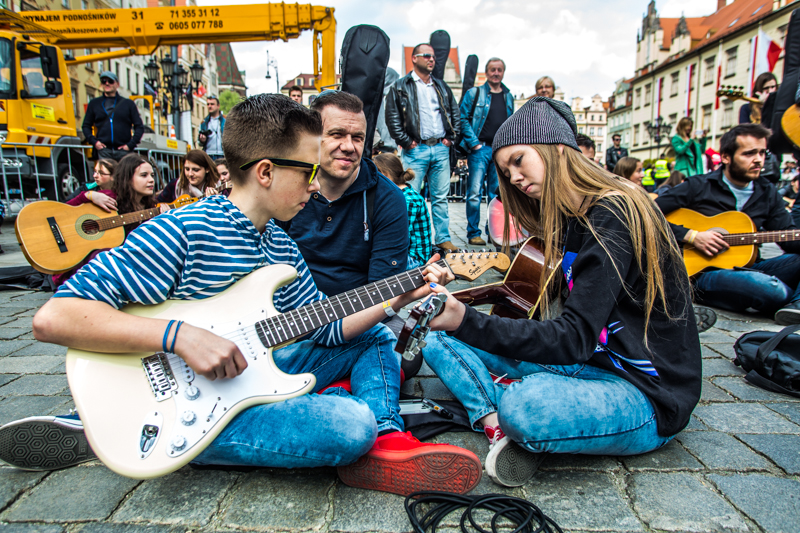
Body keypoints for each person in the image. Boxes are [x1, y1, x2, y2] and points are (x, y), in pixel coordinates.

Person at [0, 94, 481, 497]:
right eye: (307, 172)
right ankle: (141, 436)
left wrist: (395, 295)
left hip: (255, 368)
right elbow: (54, 317)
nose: (315, 187)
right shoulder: (184, 229)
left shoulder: (280, 244)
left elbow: (326, 328)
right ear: (266, 172)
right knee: (345, 425)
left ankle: (386, 438)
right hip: (184, 395)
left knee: (374, 338)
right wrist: (180, 335)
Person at [420, 96, 701, 488]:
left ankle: (509, 405)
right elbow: (526, 307)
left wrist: (467, 319)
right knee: (436, 336)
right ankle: (493, 423)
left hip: (646, 395)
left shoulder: (614, 215)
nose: (515, 177)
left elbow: (571, 337)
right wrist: (456, 303)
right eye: (506, 171)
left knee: (526, 406)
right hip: (589, 364)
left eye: (519, 160)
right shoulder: (570, 219)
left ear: (556, 148)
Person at [656, 123, 800, 325]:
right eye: (749, 154)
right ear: (726, 157)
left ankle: (794, 305)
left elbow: (788, 236)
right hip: (703, 273)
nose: (759, 160)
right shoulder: (698, 186)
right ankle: (789, 299)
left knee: (770, 281)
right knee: (768, 287)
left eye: (762, 152)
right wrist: (691, 236)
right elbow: (647, 213)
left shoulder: (767, 192)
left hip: (751, 267)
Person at [278, 90, 409, 297]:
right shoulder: (287, 186)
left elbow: (384, 292)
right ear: (312, 137)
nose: (349, 147)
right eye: (336, 134)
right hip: (290, 311)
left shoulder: (388, 198)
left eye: (357, 138)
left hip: (361, 316)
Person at [385, 43, 461, 253]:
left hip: (439, 147)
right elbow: (392, 116)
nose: (432, 60)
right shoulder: (401, 86)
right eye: (426, 55)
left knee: (440, 197)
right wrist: (406, 141)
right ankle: (407, 239)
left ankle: (443, 238)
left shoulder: (440, 85)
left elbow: (454, 112)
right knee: (409, 195)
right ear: (414, 58)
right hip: (415, 149)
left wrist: (450, 138)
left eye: (433, 56)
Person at [53, 153, 164, 287]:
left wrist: (163, 217)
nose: (151, 180)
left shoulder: (150, 207)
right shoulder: (108, 197)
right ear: (128, 178)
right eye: (144, 175)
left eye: (152, 175)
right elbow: (63, 210)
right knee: (104, 255)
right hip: (88, 262)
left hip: (125, 263)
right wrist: (88, 195)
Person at [459, 57, 514, 246]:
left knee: (496, 195)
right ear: (487, 72)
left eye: (499, 69)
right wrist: (474, 144)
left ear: (503, 72)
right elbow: (462, 118)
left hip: (500, 151)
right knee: (474, 192)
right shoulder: (475, 93)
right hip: (480, 149)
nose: (496, 73)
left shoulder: (508, 96)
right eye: (492, 70)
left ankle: (493, 232)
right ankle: (473, 233)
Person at [374, 153, 431, 269]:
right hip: (403, 254)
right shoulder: (396, 195)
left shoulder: (408, 200)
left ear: (385, 175)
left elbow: (397, 238)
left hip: (415, 258)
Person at [81, 71, 144, 161]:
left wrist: (130, 145)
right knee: (106, 175)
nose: (107, 83)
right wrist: (95, 142)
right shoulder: (94, 103)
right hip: (104, 150)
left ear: (117, 84)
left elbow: (139, 126)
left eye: (110, 81)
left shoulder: (128, 104)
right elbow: (86, 125)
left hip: (124, 151)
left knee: (124, 175)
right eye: (103, 81)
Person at [156, 150, 220, 204]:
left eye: (195, 170)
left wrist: (215, 203)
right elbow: (156, 204)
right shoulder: (175, 185)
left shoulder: (219, 187)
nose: (190, 174)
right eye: (187, 169)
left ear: (207, 169)